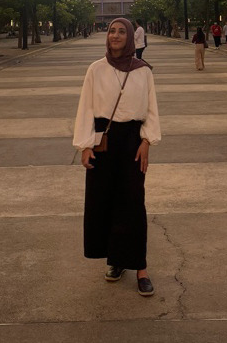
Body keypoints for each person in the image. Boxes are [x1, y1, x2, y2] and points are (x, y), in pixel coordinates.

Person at [73, 17, 161, 297]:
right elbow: (86, 107)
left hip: (133, 140)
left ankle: (141, 268)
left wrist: (147, 140)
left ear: (131, 37)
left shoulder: (142, 71)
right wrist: (85, 145)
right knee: (104, 201)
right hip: (103, 141)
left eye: (122, 31)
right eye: (112, 31)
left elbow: (151, 108)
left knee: (133, 202)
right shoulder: (95, 69)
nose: (115, 35)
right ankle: (116, 260)